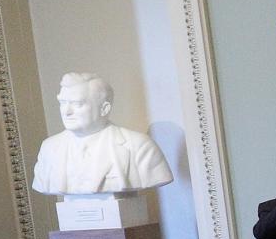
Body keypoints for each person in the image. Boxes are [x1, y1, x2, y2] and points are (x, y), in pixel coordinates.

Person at [29, 71, 174, 195]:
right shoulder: (49, 148)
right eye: (62, 103)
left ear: (104, 109)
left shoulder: (138, 146)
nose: (66, 112)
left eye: (78, 104)